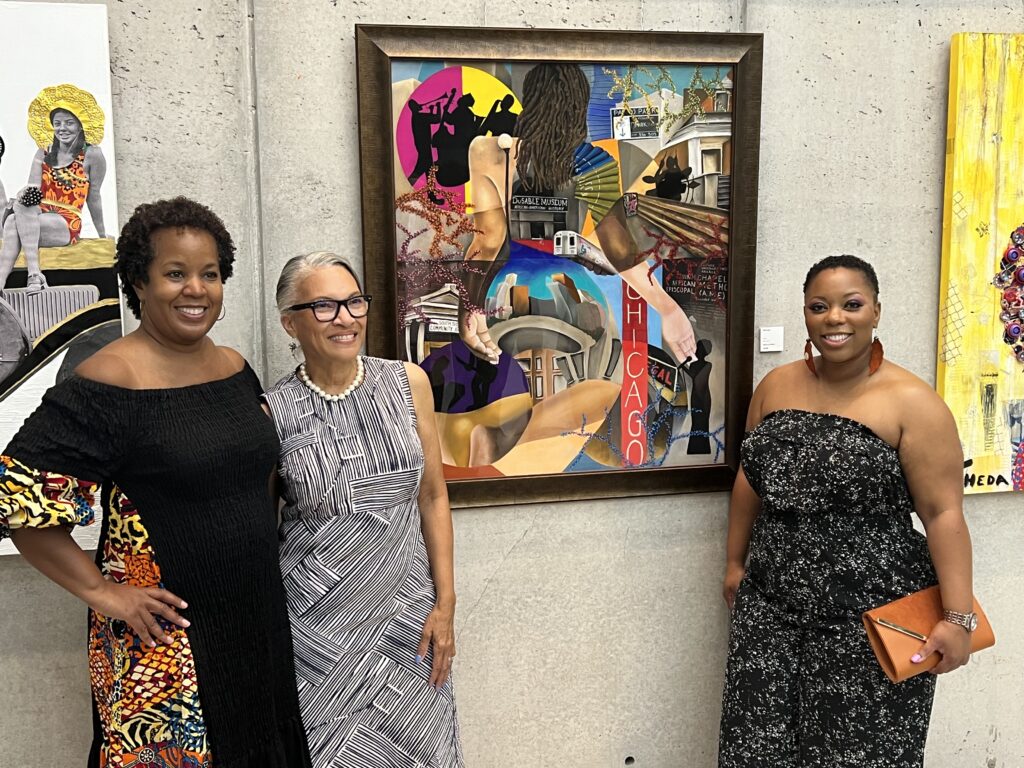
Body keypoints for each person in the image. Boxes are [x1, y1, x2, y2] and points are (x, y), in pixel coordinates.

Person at [0, 197, 311, 768]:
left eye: (210, 273)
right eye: (175, 273)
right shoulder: (109, 378)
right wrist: (104, 594)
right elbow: (17, 504)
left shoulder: (234, 368)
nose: (196, 289)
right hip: (166, 645)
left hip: (252, 620)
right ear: (138, 282)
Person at [717, 254, 975, 767]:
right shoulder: (776, 386)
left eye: (851, 304)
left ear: (876, 311)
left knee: (860, 755)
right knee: (757, 749)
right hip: (771, 609)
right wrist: (734, 563)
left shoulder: (913, 404)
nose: (835, 318)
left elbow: (943, 512)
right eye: (820, 306)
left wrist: (958, 617)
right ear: (807, 314)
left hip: (872, 621)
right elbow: (751, 480)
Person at [265, 252, 463, 768]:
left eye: (354, 302)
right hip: (318, 635)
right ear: (290, 322)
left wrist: (445, 604)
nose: (346, 318)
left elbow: (433, 495)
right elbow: (261, 530)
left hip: (407, 621)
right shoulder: (271, 411)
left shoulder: (407, 382)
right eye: (325, 306)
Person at [457, 63, 696, 366]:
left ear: (528, 103)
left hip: (505, 295)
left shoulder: (487, 151)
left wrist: (469, 306)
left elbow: (487, 241)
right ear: (578, 109)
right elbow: (621, 252)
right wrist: (669, 310)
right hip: (575, 294)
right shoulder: (592, 161)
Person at [0, 85, 109, 294]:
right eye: (57, 123)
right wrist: (24, 194)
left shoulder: (92, 154)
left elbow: (94, 196)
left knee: (15, 221)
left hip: (66, 220)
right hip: (37, 213)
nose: (62, 128)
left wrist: (102, 234)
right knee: (20, 209)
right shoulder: (43, 152)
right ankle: (13, 280)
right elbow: (34, 188)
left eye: (69, 123)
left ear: (79, 126)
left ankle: (33, 274)